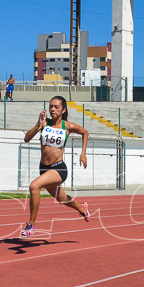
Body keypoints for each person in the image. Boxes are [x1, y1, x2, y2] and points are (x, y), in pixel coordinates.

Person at [20, 96, 90, 237]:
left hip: (59, 168)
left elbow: (85, 132)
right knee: (62, 199)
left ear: (63, 110)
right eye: (51, 106)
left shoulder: (67, 126)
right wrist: (37, 124)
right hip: (44, 168)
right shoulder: (44, 123)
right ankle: (82, 208)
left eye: (56, 107)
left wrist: (83, 153)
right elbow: (26, 139)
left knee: (34, 186)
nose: (52, 109)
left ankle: (31, 224)